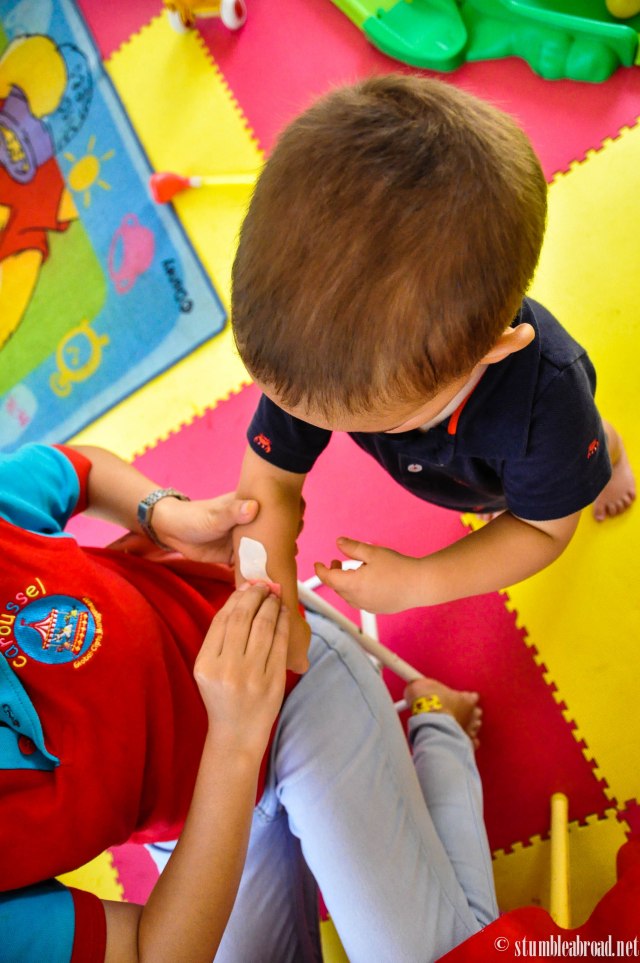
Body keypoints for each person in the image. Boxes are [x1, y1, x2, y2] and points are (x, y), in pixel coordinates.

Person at [0, 442, 497, 962]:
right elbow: (153, 953)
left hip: (293, 693)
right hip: (196, 824)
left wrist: (162, 515)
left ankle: (440, 723)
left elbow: (76, 470)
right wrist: (233, 741)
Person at [230, 73, 636, 665]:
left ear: (491, 350)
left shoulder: (549, 403)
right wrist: (271, 603)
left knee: (579, 462)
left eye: (371, 421)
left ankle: (612, 457)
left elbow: (543, 530)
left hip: (532, 463)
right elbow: (267, 483)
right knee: (498, 495)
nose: (319, 423)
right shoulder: (314, 355)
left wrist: (421, 582)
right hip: (461, 475)